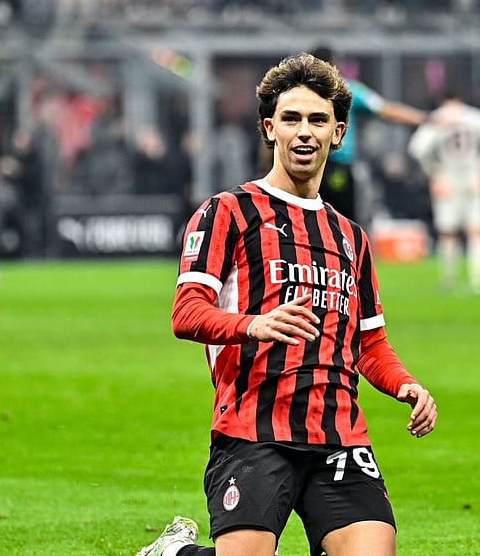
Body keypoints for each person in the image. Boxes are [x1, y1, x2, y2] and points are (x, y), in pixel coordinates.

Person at [138, 53, 437, 556]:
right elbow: (185, 313)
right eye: (291, 119)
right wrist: (254, 325)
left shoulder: (351, 237)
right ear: (269, 128)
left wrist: (406, 384)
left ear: (338, 133)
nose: (304, 132)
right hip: (253, 429)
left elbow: (368, 342)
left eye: (318, 120)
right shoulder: (227, 212)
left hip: (339, 433)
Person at [309, 46, 427, 223]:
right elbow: (385, 109)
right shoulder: (346, 89)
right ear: (334, 63)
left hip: (305, 163)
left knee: (311, 216)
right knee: (342, 218)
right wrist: (423, 118)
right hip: (338, 163)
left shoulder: (297, 92)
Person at [407, 96, 480, 295]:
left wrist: (434, 173)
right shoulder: (477, 117)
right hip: (464, 177)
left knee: (461, 232)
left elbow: (417, 148)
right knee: (467, 231)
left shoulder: (440, 118)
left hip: (452, 177)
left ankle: (460, 281)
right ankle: (473, 282)